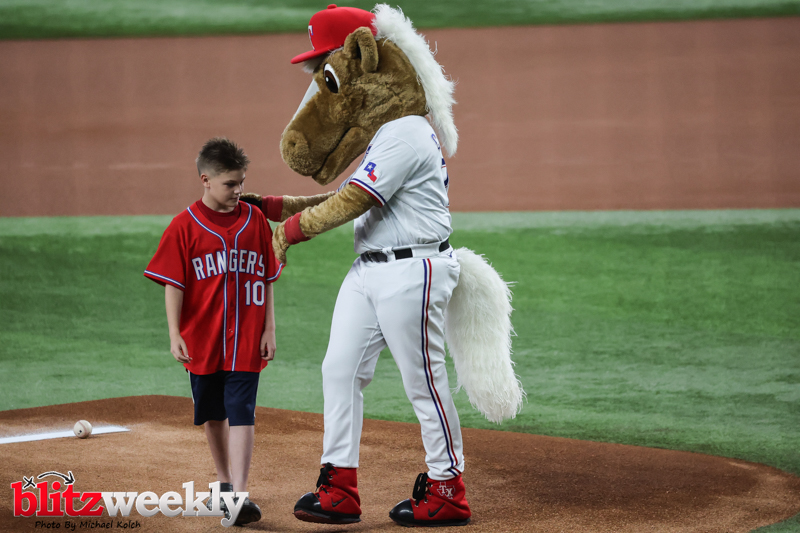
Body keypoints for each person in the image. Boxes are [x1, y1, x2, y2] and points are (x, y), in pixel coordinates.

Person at [143, 137, 284, 526]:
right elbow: (174, 284)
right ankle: (224, 482)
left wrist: (269, 328)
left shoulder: (255, 221)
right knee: (213, 412)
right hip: (202, 339)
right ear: (205, 180)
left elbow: (267, 277)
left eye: (241, 182)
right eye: (230, 184)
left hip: (246, 338)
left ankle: (239, 493)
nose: (238, 190)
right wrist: (174, 333)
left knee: (242, 410)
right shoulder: (184, 226)